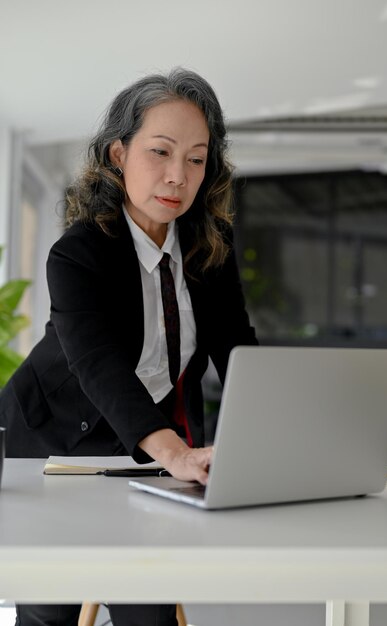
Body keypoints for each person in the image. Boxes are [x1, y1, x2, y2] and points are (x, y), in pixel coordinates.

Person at [0, 67, 257, 626]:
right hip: (56, 441)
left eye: (196, 158)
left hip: (146, 445)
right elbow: (99, 366)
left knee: (150, 608)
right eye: (160, 152)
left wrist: (271, 437)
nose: (178, 176)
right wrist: (175, 453)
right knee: (52, 609)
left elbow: (239, 352)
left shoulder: (209, 247)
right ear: (118, 154)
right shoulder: (77, 255)